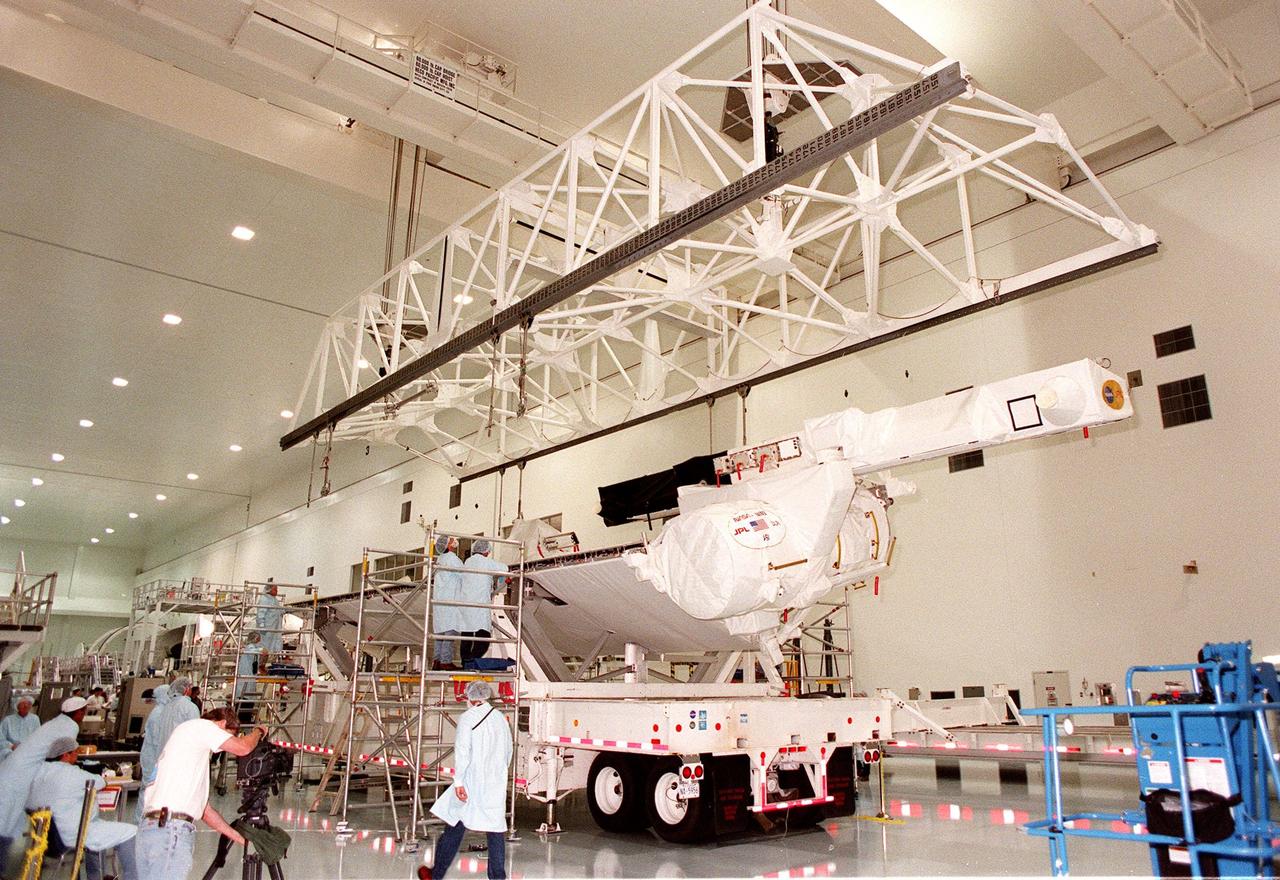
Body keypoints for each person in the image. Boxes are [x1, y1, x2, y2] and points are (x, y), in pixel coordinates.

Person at [135, 708, 264, 880]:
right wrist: (259, 731)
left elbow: (204, 811)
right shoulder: (202, 727)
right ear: (223, 724)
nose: (221, 749)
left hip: (152, 829)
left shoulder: (186, 746)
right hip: (170, 832)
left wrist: (241, 839)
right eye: (228, 736)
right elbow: (243, 747)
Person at [427, 681, 511, 880]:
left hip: (471, 781)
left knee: (455, 824)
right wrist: (499, 773)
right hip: (495, 782)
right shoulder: (500, 718)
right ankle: (498, 877)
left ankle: (436, 874)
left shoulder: (467, 718)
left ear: (471, 698)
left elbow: (463, 752)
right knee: (495, 829)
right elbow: (509, 750)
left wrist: (458, 782)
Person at [28, 736, 138, 880]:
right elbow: (100, 782)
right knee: (131, 832)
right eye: (74, 752)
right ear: (66, 755)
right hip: (71, 835)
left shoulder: (38, 772)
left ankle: (96, 876)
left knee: (100, 833)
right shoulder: (72, 773)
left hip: (44, 837)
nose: (77, 755)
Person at [0, 696, 87, 874]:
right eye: (83, 712)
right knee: (5, 825)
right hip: (18, 778)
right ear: (79, 713)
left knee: (7, 825)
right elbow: (65, 754)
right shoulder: (70, 726)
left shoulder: (57, 722)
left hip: (15, 773)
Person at [457, 540, 508, 664]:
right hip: (480, 604)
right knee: (484, 638)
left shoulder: (467, 562)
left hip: (466, 604)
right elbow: (504, 568)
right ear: (486, 551)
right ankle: (472, 661)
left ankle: (465, 661)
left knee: (467, 635)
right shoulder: (486, 562)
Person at [137, 684, 174, 822]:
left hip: (153, 757)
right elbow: (159, 740)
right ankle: (142, 820)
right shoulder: (160, 713)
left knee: (151, 790)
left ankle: (145, 819)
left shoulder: (162, 711)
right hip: (154, 758)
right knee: (148, 790)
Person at [431, 535, 464, 671]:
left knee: (440, 632)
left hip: (440, 601)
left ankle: (437, 661)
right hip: (451, 600)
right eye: (451, 540)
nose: (454, 541)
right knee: (450, 631)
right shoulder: (452, 559)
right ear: (448, 545)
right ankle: (446, 661)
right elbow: (465, 574)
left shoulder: (440, 559)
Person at [256, 583, 284, 657]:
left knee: (270, 648)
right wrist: (261, 626)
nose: (277, 591)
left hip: (273, 629)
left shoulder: (275, 600)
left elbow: (278, 611)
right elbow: (261, 613)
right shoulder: (264, 599)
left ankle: (264, 665)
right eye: (275, 589)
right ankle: (260, 665)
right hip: (266, 629)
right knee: (263, 648)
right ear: (269, 589)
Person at [236, 632, 263, 702]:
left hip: (250, 677)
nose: (260, 641)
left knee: (248, 697)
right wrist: (261, 650)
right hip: (246, 677)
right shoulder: (250, 647)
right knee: (245, 698)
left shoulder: (254, 648)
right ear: (255, 639)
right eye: (259, 639)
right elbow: (252, 651)